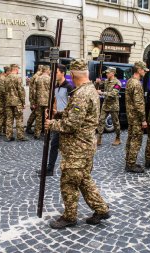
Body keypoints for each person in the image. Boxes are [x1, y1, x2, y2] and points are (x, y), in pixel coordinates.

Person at [45, 59, 110, 229]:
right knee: (84, 180)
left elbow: (71, 125)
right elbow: (79, 116)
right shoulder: (90, 90)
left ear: (73, 75)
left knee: (69, 183)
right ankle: (101, 209)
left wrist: (51, 124)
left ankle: (69, 217)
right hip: (86, 145)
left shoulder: (81, 94)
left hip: (77, 148)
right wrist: (58, 114)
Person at [37, 64, 73, 176]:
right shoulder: (55, 86)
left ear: (63, 73)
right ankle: (50, 169)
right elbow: (53, 100)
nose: (53, 74)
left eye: (56, 72)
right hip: (56, 118)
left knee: (67, 145)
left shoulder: (69, 87)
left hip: (66, 119)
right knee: (54, 144)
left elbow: (72, 104)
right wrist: (49, 109)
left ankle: (70, 169)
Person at [124, 61, 149, 173]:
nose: (145, 72)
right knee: (136, 140)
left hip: (130, 116)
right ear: (139, 70)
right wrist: (143, 119)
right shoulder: (137, 84)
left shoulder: (130, 81)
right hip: (136, 118)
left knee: (130, 139)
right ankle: (131, 164)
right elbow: (139, 104)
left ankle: (129, 160)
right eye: (144, 70)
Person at [96, 67, 122, 146]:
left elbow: (113, 94)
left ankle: (118, 138)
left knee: (115, 123)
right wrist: (97, 82)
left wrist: (102, 93)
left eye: (108, 73)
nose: (106, 74)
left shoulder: (117, 83)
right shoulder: (106, 81)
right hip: (105, 104)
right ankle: (99, 138)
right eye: (106, 73)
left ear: (112, 73)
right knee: (101, 120)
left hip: (113, 106)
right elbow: (98, 85)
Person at [3, 64, 27, 142]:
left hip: (8, 102)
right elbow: (21, 91)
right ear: (16, 69)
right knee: (19, 119)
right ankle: (20, 136)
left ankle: (8, 136)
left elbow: (4, 91)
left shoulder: (6, 78)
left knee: (9, 119)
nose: (18, 70)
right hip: (17, 102)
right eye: (18, 69)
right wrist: (23, 102)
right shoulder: (18, 78)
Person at [34, 65, 51, 139]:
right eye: (49, 70)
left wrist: (34, 101)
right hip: (48, 101)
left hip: (39, 100)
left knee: (38, 117)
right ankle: (47, 134)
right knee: (47, 117)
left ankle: (37, 134)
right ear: (47, 70)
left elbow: (34, 91)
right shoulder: (50, 79)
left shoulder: (37, 78)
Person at [26, 65, 43, 134]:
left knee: (35, 113)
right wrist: (34, 101)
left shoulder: (35, 76)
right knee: (35, 114)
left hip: (33, 98)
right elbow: (34, 90)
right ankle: (29, 127)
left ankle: (29, 127)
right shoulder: (37, 77)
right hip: (35, 98)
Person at [0, 66, 11, 136]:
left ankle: (5, 130)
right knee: (1, 115)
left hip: (4, 100)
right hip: (2, 101)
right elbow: (3, 90)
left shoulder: (5, 78)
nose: (10, 73)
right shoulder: (2, 78)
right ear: (7, 71)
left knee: (5, 115)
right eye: (10, 71)